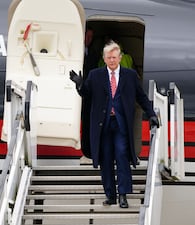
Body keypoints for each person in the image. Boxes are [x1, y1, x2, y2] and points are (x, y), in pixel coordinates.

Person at [69, 41, 159, 208]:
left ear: (120, 58)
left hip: (120, 124)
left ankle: (123, 195)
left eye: (114, 57)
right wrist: (80, 84)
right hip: (102, 125)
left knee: (122, 155)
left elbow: (141, 97)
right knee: (106, 159)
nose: (112, 60)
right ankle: (110, 195)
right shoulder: (95, 75)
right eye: (109, 57)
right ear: (104, 58)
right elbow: (86, 95)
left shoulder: (130, 75)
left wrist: (151, 114)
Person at [81, 25, 99, 159]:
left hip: (89, 95)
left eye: (91, 37)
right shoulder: (76, 52)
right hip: (79, 93)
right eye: (87, 36)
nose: (88, 39)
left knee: (89, 124)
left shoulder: (93, 54)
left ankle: (89, 151)